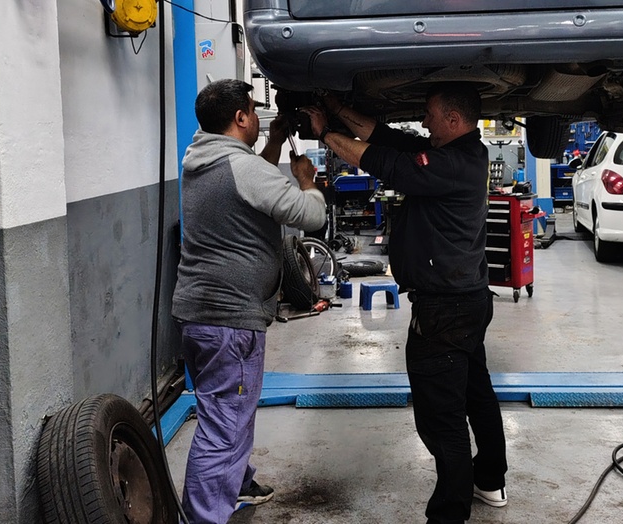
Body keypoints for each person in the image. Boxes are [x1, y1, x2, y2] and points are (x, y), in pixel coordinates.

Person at [303, 83, 508, 524]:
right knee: (476, 394)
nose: (424, 121)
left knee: (442, 418)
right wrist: (337, 107)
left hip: (444, 311)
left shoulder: (450, 164)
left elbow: (387, 163)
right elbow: (386, 138)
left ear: (453, 119)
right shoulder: (460, 152)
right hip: (467, 302)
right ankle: (490, 479)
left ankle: (450, 514)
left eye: (431, 115)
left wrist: (324, 134)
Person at [173, 79, 326, 524]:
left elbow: (250, 184)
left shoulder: (202, 157)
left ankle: (237, 482)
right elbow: (311, 215)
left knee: (230, 409)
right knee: (223, 425)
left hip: (201, 314)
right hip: (230, 321)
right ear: (240, 118)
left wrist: (274, 141)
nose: (258, 118)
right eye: (254, 112)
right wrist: (307, 183)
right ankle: (205, 518)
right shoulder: (243, 168)